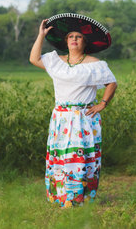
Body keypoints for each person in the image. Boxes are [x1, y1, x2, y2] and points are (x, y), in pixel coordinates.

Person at [29, 15, 117, 208]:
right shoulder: (56, 62)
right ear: (66, 41)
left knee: (81, 158)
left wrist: (102, 103)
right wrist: (41, 35)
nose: (74, 39)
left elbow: (112, 83)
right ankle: (61, 197)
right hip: (61, 117)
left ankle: (81, 198)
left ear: (84, 42)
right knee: (61, 156)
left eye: (78, 37)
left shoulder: (95, 64)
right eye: (71, 37)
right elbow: (34, 59)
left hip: (84, 118)